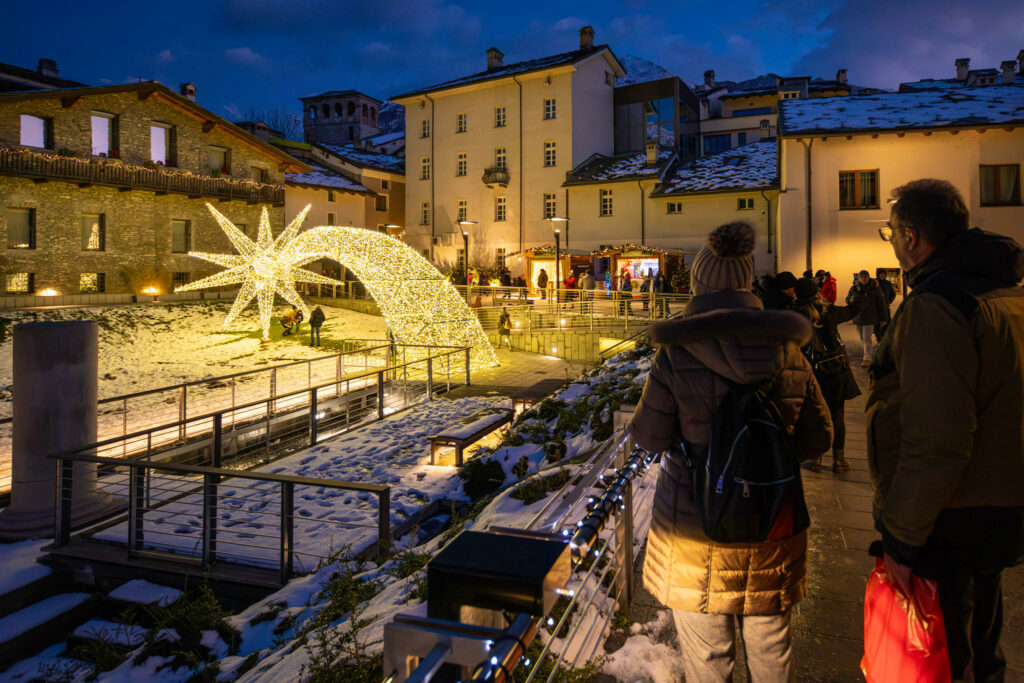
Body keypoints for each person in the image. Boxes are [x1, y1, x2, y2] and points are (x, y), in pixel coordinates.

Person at [629, 221, 832, 682]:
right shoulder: (788, 347)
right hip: (771, 522)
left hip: (693, 525)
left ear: (698, 283)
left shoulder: (676, 352)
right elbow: (821, 436)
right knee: (772, 650)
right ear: (748, 281)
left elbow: (649, 437)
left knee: (707, 660)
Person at [867, 178, 1024, 681]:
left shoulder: (938, 304)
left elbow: (936, 440)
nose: (891, 241)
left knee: (946, 653)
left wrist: (902, 539)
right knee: (984, 645)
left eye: (890, 231)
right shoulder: (1005, 292)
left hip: (952, 515)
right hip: (999, 501)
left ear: (911, 236)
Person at [792, 277, 862, 471]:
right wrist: (863, 292)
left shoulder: (795, 315)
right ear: (816, 292)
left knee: (815, 414)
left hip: (813, 371)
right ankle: (839, 460)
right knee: (837, 414)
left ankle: (816, 457)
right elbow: (853, 310)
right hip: (836, 368)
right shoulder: (828, 310)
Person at [846, 270, 889, 366]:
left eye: (865, 276)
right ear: (859, 278)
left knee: (866, 338)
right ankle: (869, 350)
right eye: (862, 277)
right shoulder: (855, 288)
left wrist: (884, 318)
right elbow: (848, 298)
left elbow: (881, 304)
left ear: (869, 277)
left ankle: (867, 358)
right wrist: (849, 300)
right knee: (862, 337)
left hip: (870, 316)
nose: (864, 278)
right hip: (858, 316)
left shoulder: (875, 288)